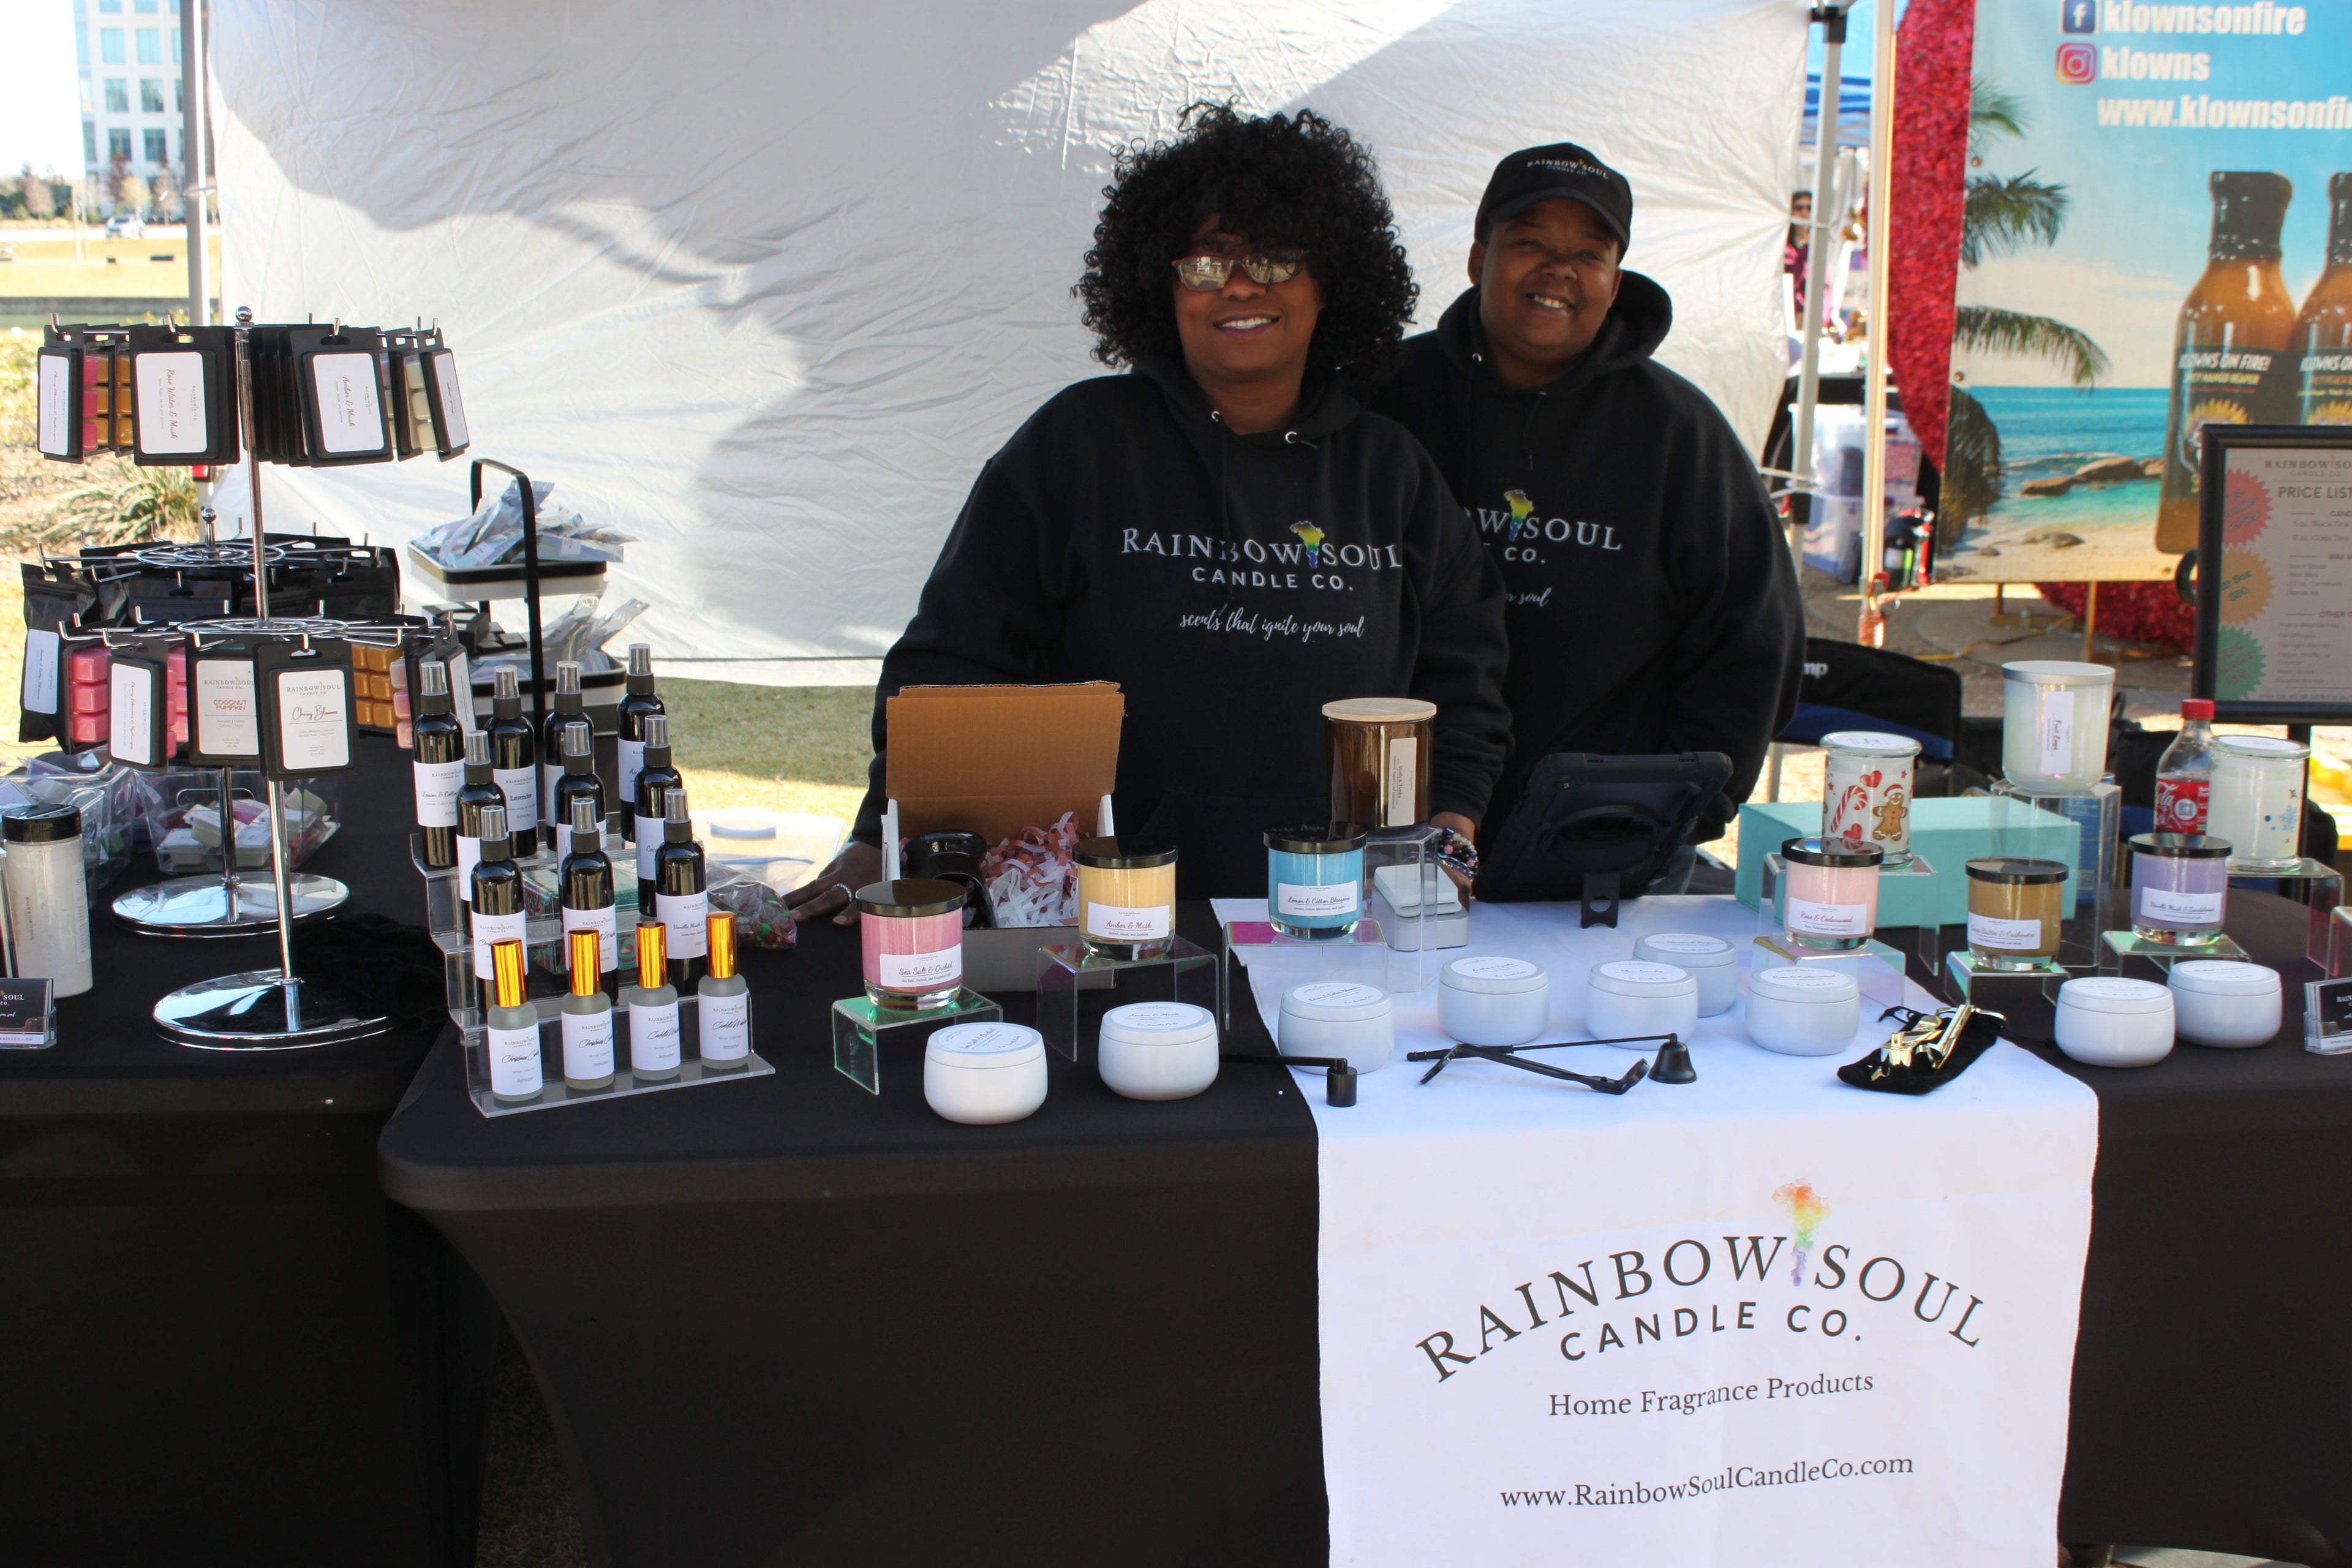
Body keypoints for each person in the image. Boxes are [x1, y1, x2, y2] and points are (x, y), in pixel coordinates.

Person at [786, 105, 1510, 922]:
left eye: (1273, 259)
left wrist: (1448, 840)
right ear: (1160, 286)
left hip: (1338, 914)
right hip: (1108, 912)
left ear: (1329, 279)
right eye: (1205, 263)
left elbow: (1468, 684)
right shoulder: (1081, 442)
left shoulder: (1393, 473)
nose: (1238, 285)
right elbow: (952, 660)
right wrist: (883, 833)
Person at [1363, 143, 1801, 891]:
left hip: (1599, 849)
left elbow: (1755, 638)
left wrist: (1677, 812)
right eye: (1530, 241)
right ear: (1478, 257)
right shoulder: (1385, 398)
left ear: (1614, 281)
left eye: (1588, 253)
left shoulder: (1679, 432)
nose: (1558, 269)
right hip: (1386, 832)